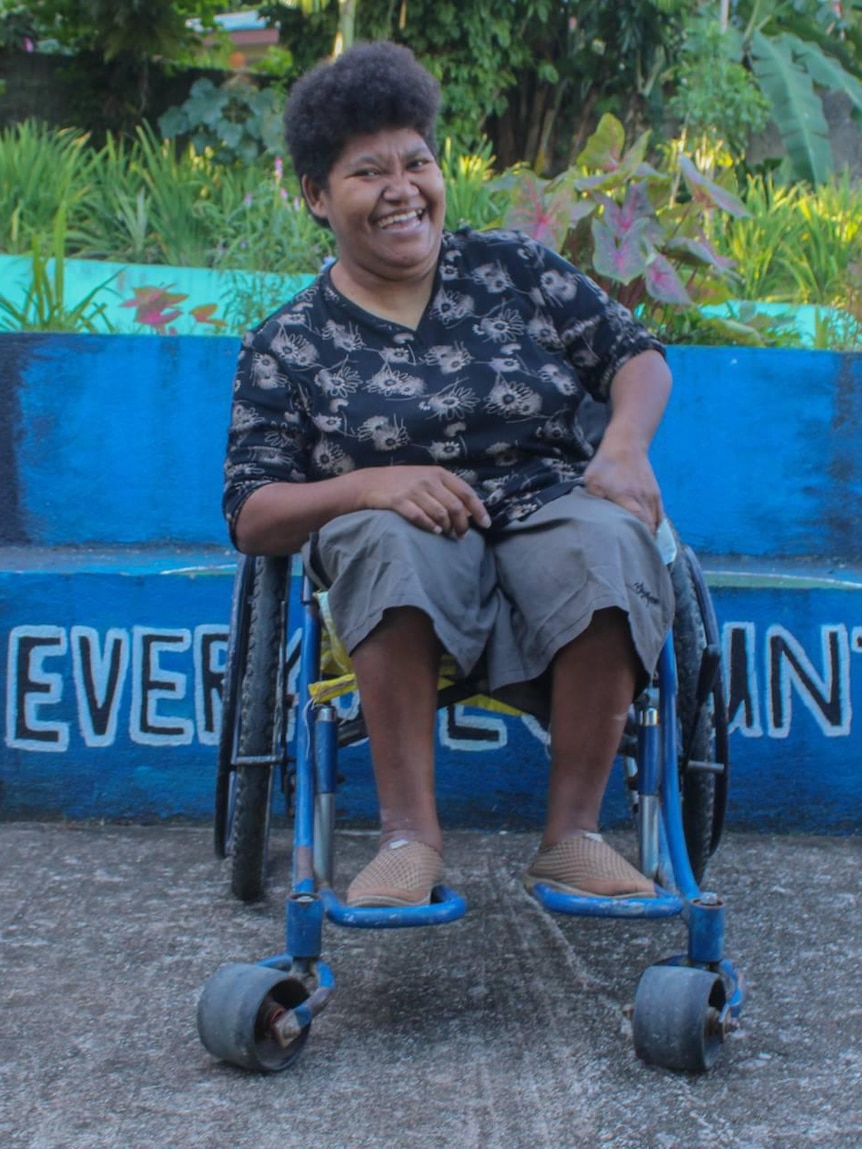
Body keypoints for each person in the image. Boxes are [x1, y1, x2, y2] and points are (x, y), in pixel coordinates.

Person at [222, 40, 675, 908]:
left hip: (545, 508)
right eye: (367, 172)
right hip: (401, 545)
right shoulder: (287, 345)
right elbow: (253, 510)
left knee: (613, 537)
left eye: (417, 162)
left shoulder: (516, 269)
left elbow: (636, 357)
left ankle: (573, 835)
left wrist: (622, 445)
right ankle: (409, 840)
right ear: (317, 196)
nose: (402, 189)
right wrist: (369, 483)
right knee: (384, 537)